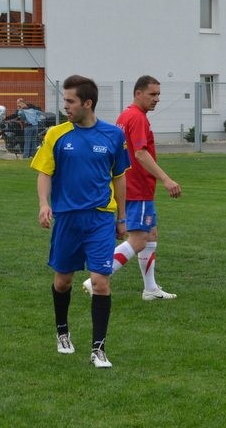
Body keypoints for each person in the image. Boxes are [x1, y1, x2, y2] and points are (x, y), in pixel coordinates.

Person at [31, 75, 130, 368]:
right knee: (63, 282)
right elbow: (44, 173)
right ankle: (62, 332)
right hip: (67, 218)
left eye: (70, 101)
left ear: (87, 103)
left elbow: (119, 178)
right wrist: (44, 204)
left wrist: (122, 218)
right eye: (65, 100)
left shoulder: (113, 135)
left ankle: (98, 349)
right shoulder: (56, 134)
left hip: (100, 217)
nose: (65, 106)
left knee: (100, 282)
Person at [82, 75, 182, 301]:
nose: (157, 99)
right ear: (138, 93)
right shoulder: (137, 118)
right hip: (138, 188)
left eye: (158, 94)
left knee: (151, 234)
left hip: (130, 185)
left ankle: (150, 289)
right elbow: (140, 153)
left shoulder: (125, 115)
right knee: (139, 240)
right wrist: (166, 179)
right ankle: (96, 278)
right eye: (152, 94)